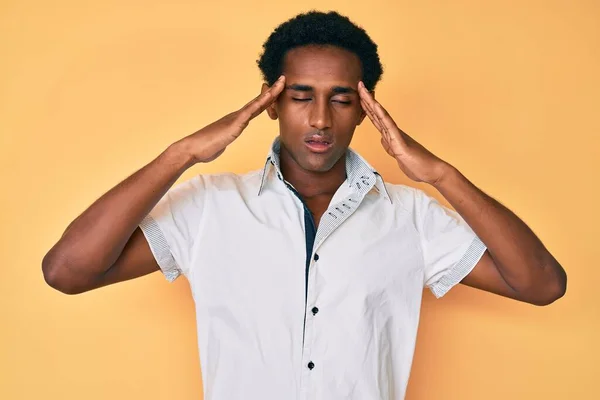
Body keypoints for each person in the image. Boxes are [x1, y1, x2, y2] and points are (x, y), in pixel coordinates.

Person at [42, 10, 567, 400]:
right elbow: (67, 270)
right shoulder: (210, 208)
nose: (320, 119)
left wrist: (439, 174)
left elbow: (542, 284)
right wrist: (184, 154)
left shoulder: (410, 217)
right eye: (300, 97)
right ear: (270, 104)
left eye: (340, 99)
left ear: (365, 111)